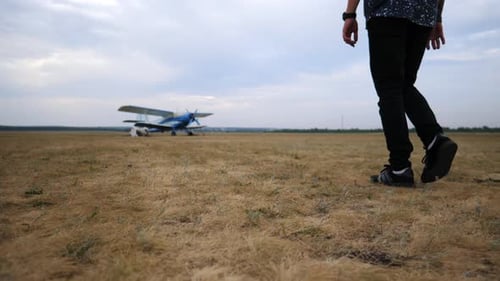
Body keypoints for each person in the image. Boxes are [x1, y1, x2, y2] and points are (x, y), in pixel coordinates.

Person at [342, 0, 457, 187]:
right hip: (423, 13)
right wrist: (436, 18)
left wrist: (349, 15)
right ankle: (435, 140)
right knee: (403, 85)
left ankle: (400, 168)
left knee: (389, 87)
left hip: (386, 11)